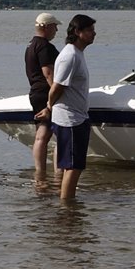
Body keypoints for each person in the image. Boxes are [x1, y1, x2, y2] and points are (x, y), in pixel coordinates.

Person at [37, 14, 96, 199]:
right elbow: (57, 86)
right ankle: (67, 208)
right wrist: (49, 106)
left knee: (74, 166)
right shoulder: (69, 55)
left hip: (78, 117)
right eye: (90, 30)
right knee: (73, 166)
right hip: (70, 119)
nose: (94, 34)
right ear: (78, 32)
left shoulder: (77, 53)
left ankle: (68, 206)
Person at [24, 12, 61, 183]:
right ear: (45, 27)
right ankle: (58, 174)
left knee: (41, 134)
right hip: (46, 92)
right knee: (60, 133)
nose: (56, 30)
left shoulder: (31, 45)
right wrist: (56, 92)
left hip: (35, 91)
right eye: (54, 26)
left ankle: (40, 174)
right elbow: (48, 73)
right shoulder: (45, 46)